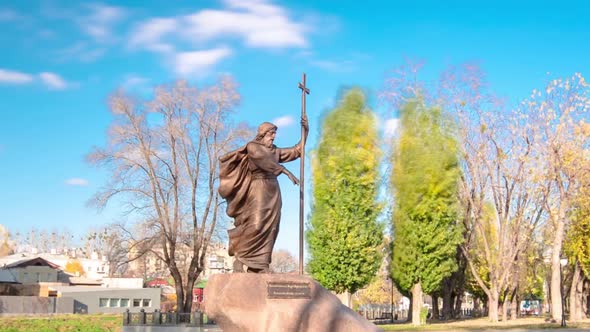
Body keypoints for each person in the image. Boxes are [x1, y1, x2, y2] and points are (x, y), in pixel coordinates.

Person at [219, 116, 308, 273]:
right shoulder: (253, 146)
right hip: (258, 187)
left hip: (273, 189)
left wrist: (305, 132)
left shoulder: (275, 150)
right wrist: (285, 171)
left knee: (271, 226)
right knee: (257, 223)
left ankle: (260, 265)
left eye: (274, 133)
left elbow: (296, 151)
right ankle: (240, 258)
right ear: (263, 133)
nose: (273, 136)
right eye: (271, 133)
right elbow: (264, 160)